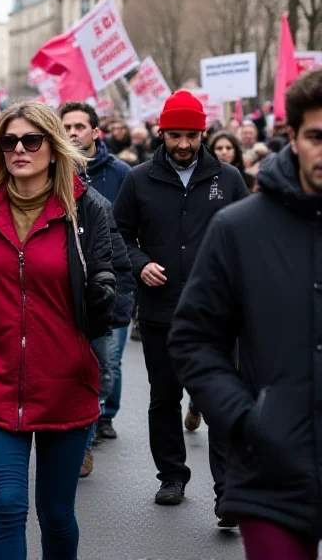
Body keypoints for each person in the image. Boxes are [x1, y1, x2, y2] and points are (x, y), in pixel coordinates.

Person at [0, 101, 115, 560]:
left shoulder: (87, 211)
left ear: (53, 149)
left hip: (64, 384)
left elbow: (109, 297)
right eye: (9, 140)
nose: (19, 149)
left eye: (31, 140)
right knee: (9, 507)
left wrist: (104, 293)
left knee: (56, 514)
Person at [169, 69, 322, 559]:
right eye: (318, 136)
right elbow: (193, 338)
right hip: (274, 469)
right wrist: (246, 418)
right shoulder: (239, 229)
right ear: (293, 138)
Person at [113, 90, 249, 517]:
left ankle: (227, 492)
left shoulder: (228, 178)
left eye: (191, 135)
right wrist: (141, 264)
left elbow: (249, 236)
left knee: (220, 402)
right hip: (160, 311)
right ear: (162, 133)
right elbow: (119, 234)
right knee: (165, 399)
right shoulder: (138, 179)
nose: (184, 144)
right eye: (175, 135)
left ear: (203, 132)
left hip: (218, 315)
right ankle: (171, 476)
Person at [59, 101, 136, 462]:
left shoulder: (120, 173)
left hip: (111, 278)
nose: (73, 132)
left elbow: (130, 230)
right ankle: (84, 431)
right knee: (77, 363)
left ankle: (103, 416)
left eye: (79, 126)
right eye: (67, 126)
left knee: (109, 363)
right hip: (66, 289)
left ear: (95, 132)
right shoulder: (51, 170)